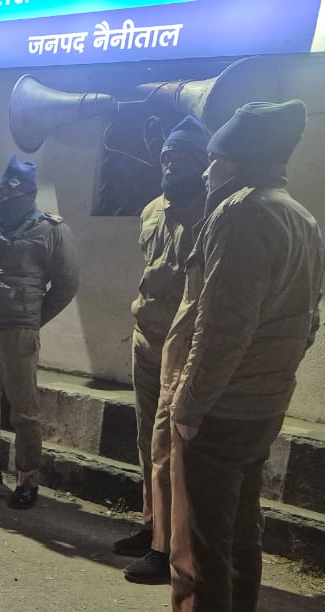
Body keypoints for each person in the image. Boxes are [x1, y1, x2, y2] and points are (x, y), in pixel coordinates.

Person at [112, 100, 325, 612]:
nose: (205, 171)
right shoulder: (299, 215)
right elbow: (307, 323)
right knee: (238, 542)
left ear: (239, 162)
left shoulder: (241, 213)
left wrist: (188, 406)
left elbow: (222, 326)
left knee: (196, 554)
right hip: (261, 405)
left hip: (218, 410)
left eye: (214, 160)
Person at [0, 155, 79, 510]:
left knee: (23, 412)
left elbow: (67, 285)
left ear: (28, 193)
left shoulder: (51, 231)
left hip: (18, 333)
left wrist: (34, 319)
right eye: (2, 190)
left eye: (12, 191)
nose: (5, 196)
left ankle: (27, 478)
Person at [114, 117, 211, 585]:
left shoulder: (212, 214)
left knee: (169, 450)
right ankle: (152, 522)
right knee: (144, 442)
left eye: (184, 158)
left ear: (202, 163)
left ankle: (167, 547)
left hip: (181, 348)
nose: (172, 165)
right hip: (146, 340)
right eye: (168, 157)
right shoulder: (152, 210)